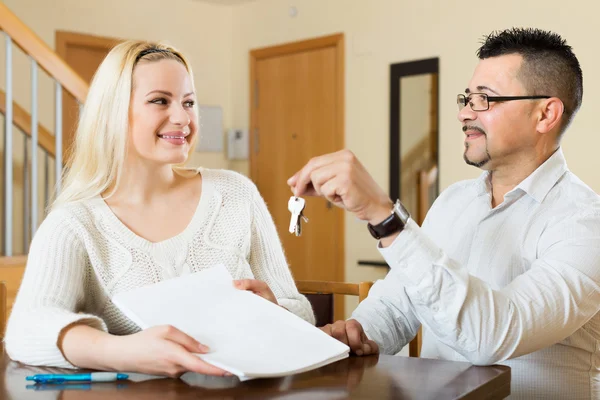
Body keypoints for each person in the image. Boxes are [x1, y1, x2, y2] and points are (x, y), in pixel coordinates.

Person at [288, 28, 600, 399]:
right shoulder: (453, 201)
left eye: (485, 99)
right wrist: (358, 334)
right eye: (467, 98)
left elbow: (493, 337)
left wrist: (385, 216)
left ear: (545, 113)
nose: (464, 113)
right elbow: (398, 306)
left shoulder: (585, 223)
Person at [5, 40, 314, 377]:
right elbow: (26, 331)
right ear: (114, 113)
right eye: (160, 101)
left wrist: (273, 313)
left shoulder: (236, 193)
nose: (182, 118)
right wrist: (124, 352)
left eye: (189, 102)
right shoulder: (74, 224)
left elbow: (299, 311)